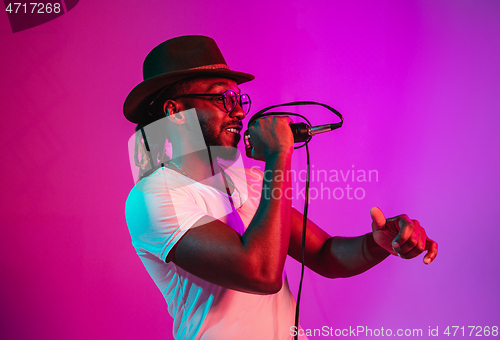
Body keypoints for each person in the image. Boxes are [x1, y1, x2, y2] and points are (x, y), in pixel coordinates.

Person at [123, 35, 438, 340]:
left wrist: (378, 243)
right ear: (175, 112)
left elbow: (326, 255)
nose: (239, 111)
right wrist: (278, 154)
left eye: (238, 98)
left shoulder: (250, 182)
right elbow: (260, 272)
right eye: (222, 97)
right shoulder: (154, 197)